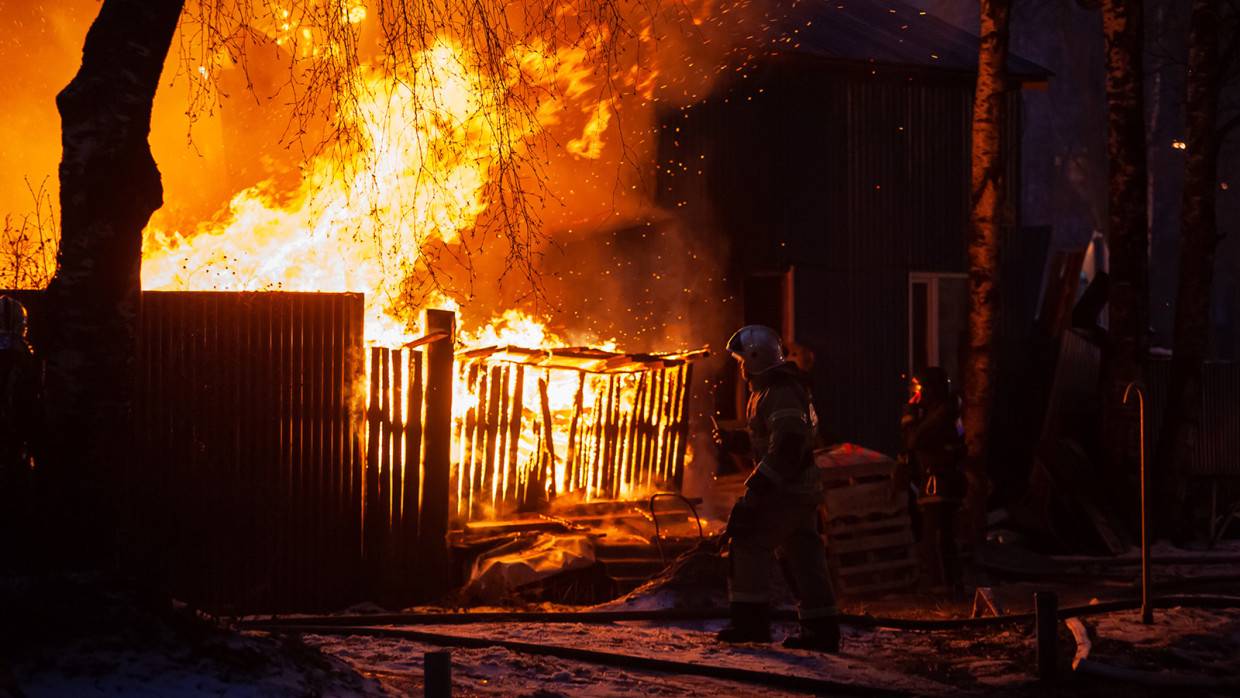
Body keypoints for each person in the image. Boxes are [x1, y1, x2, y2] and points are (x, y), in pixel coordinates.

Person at [716, 325, 840, 652]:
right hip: (799, 490)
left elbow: (787, 445)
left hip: (786, 491)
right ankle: (821, 629)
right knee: (804, 556)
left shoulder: (779, 391)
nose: (740, 366)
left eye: (743, 360)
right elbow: (771, 437)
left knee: (748, 540)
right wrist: (738, 441)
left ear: (757, 358)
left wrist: (758, 486)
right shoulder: (769, 390)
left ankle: (751, 623)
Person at [900, 367, 965, 594]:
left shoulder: (942, 415)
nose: (919, 395)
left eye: (922, 389)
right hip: (943, 480)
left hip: (940, 482)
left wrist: (909, 417)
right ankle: (948, 584)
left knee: (935, 537)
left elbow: (913, 441)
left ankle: (942, 586)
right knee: (943, 536)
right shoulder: (948, 411)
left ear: (933, 390)